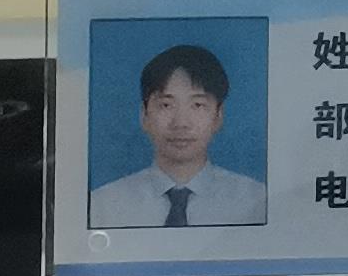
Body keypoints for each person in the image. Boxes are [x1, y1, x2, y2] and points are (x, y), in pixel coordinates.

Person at [85, 42, 267, 231]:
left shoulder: (256, 202)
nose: (181, 123)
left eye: (197, 105)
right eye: (166, 105)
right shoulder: (102, 206)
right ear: (144, 115)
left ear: (218, 116)